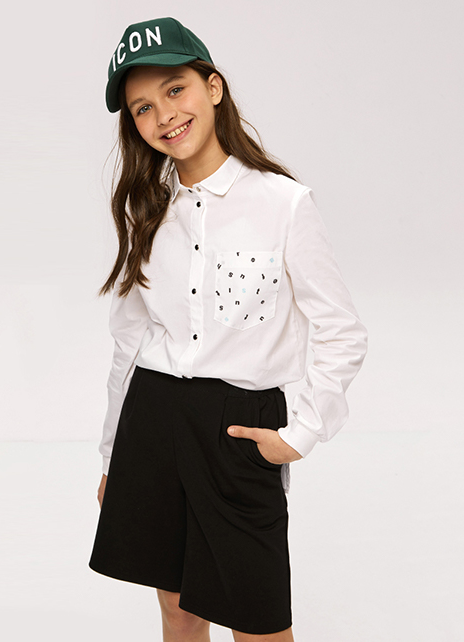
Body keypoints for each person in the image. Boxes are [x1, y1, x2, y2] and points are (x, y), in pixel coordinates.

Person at [88, 16, 368, 642]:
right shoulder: (146, 210)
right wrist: (112, 454)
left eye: (175, 89)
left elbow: (342, 330)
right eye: (142, 107)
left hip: (240, 427)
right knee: (179, 611)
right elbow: (129, 341)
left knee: (259, 625)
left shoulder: (284, 203)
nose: (164, 115)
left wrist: (301, 433)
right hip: (152, 421)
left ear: (213, 87)